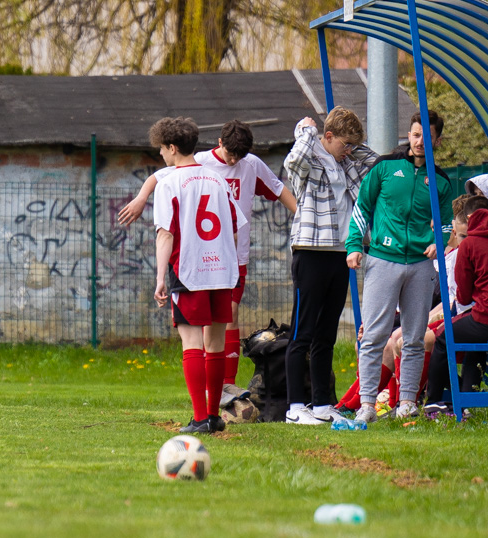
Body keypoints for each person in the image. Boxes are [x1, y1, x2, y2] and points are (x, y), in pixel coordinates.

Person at [120, 120, 295, 389]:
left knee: (229, 317)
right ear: (220, 143)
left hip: (234, 259)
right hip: (200, 260)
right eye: (230, 154)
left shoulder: (252, 165)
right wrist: (141, 198)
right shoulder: (199, 163)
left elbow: (281, 191)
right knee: (201, 329)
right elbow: (158, 177)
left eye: (240, 155)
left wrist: (304, 220)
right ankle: (211, 391)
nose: (234, 160)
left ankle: (227, 386)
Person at [346, 110, 455, 424]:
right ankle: (367, 404)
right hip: (383, 260)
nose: (420, 142)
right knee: (374, 335)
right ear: (410, 134)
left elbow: (447, 224)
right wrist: (354, 245)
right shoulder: (385, 167)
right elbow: (361, 208)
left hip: (421, 265)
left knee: (414, 337)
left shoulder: (441, 180)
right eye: (416, 135)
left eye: (427, 138)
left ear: (438, 140)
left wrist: (440, 240)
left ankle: (406, 402)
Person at [149, 117, 247, 433]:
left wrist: (161, 277)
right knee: (215, 341)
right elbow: (233, 231)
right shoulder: (218, 180)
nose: (161, 155)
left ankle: (201, 417)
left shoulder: (169, 183)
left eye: (162, 149)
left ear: (173, 148)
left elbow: (166, 234)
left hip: (189, 271)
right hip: (222, 270)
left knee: (191, 341)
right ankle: (215, 418)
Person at [281, 107, 379, 425]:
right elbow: (292, 162)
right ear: (327, 137)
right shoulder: (309, 161)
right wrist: (307, 131)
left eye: (352, 145)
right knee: (302, 331)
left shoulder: (348, 162)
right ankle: (296, 407)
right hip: (310, 253)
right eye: (343, 143)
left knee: (327, 333)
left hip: (340, 254)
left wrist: (349, 143)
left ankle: (322, 404)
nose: (349, 150)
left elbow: (374, 161)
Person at [425, 195, 488, 415]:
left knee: (443, 337)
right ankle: (469, 400)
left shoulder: (469, 245)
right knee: (472, 342)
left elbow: (464, 297)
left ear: (469, 218)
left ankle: (434, 400)